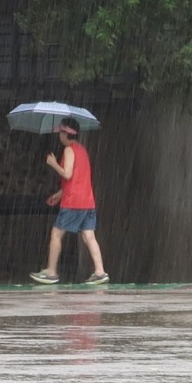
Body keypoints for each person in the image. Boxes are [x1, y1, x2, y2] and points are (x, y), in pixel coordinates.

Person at [30, 118, 109, 285]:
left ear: (66, 133)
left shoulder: (69, 150)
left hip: (73, 202)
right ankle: (100, 271)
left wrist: (52, 163)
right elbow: (77, 179)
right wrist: (59, 194)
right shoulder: (82, 150)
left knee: (56, 234)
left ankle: (51, 272)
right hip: (87, 201)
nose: (59, 135)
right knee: (89, 236)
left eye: (61, 132)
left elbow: (67, 174)